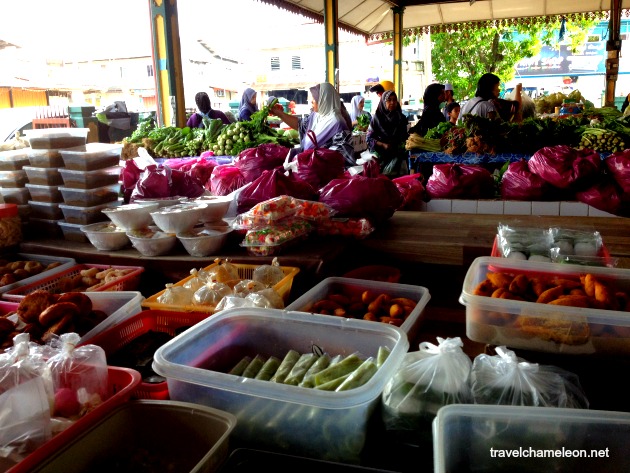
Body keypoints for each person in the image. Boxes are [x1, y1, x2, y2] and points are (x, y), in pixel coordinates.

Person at [269, 82, 349, 151]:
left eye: (314, 98)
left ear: (324, 100)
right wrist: (279, 113)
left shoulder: (337, 124)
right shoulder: (316, 115)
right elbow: (300, 125)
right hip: (308, 164)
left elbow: (340, 156)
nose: (311, 101)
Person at [366, 90, 409, 177]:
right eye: (389, 100)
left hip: (398, 156)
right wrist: (382, 144)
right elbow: (369, 139)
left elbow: (405, 137)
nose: (392, 102)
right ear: (383, 102)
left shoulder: (401, 118)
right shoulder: (376, 119)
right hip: (381, 157)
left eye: (394, 100)